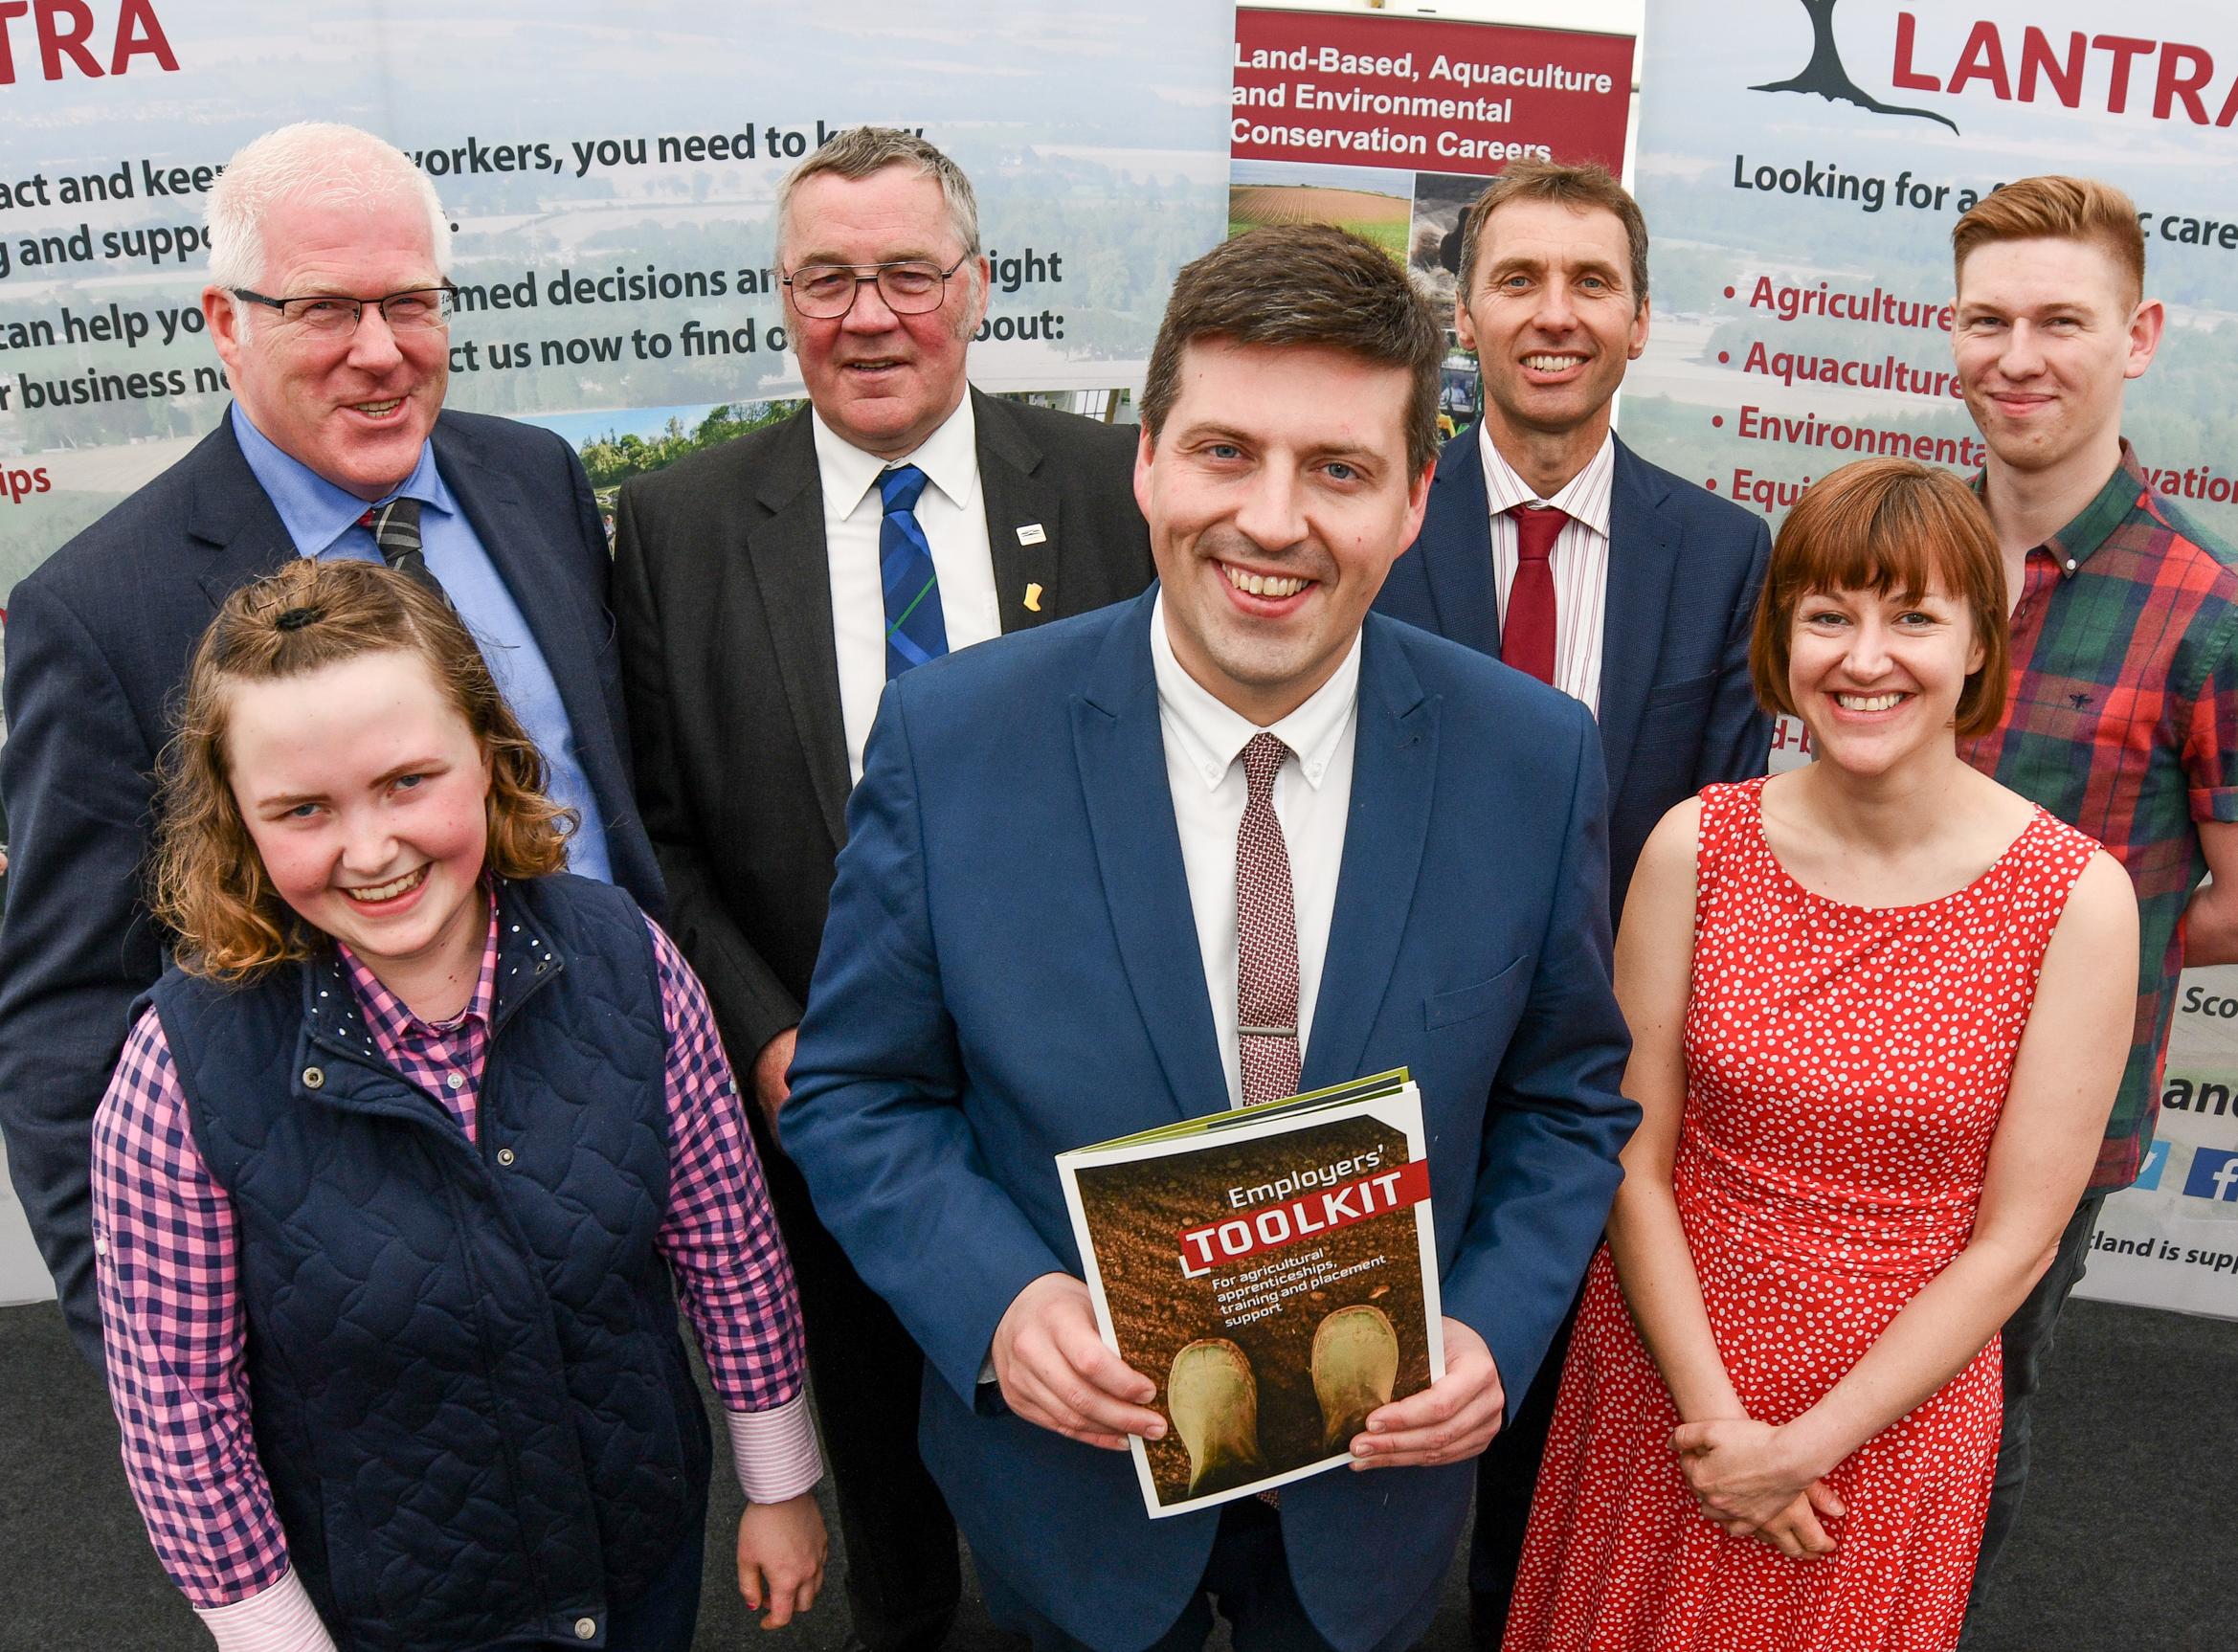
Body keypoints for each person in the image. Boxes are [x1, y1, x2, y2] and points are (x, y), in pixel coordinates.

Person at [781, 222, 1636, 1652]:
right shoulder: (957, 739)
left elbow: (1562, 1099)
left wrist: (1486, 1324)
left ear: (1418, 497)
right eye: (1225, 452)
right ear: (1146, 460)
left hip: (1379, 1489)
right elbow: (859, 1092)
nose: (1273, 519)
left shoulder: (1529, 759)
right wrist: (996, 1304)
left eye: (1340, 470)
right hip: (1074, 1489)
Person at [611, 125, 1152, 1652]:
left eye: (907, 273)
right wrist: (774, 1036)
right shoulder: (679, 526)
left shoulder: (1115, 485)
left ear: (975, 289)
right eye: (826, 278)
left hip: (1088, 1095)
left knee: (1095, 1448)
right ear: (781, 300)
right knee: (881, 1464)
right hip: (822, 1098)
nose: (867, 314)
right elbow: (665, 832)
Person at [0, 121, 660, 1368]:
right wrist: (158, 1361)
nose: (381, 350)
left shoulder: (535, 483)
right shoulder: (101, 614)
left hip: (624, 1177)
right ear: (225, 320)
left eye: (411, 302)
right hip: (358, 1301)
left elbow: (610, 810)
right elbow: (64, 1017)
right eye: (325, 309)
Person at [94, 558, 823, 1651]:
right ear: (239, 823)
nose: (372, 849)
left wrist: (779, 1483)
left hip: (638, 1559)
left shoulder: (628, 960)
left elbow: (729, 1242)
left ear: (487, 753)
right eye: (303, 809)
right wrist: (274, 1639)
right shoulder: (177, 1074)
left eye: (406, 782)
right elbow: (178, 1417)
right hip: (396, 1617)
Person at [1503, 458, 2137, 1651]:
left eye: (1912, 616)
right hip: (1670, 1389)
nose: (1864, 656)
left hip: (1886, 1435)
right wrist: (1720, 1429)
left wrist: (1798, 1448)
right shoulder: (1696, 846)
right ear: (1781, 637)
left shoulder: (2076, 902)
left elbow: (2018, 1240)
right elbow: (1630, 1158)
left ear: (1978, 644)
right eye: (1829, 615)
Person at [1369, 159, 1772, 1639]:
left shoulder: (1724, 554)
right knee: (1367, 1457)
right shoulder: (1379, 518)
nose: (1554, 315)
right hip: (1383, 1075)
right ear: (1461, 312)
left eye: (1589, 283)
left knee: (1551, 1465)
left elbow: (1714, 844)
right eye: (1518, 280)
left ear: (1640, 320)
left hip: (1591, 1093)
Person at [1942, 174, 2238, 1597]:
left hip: (2039, 1130)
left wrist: (2059, 950)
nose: (2017, 355)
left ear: (2137, 337)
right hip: (1832, 1090)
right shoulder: (1897, 555)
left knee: (1958, 1429)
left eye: (2060, 319)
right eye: (1986, 318)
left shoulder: (2207, 606)